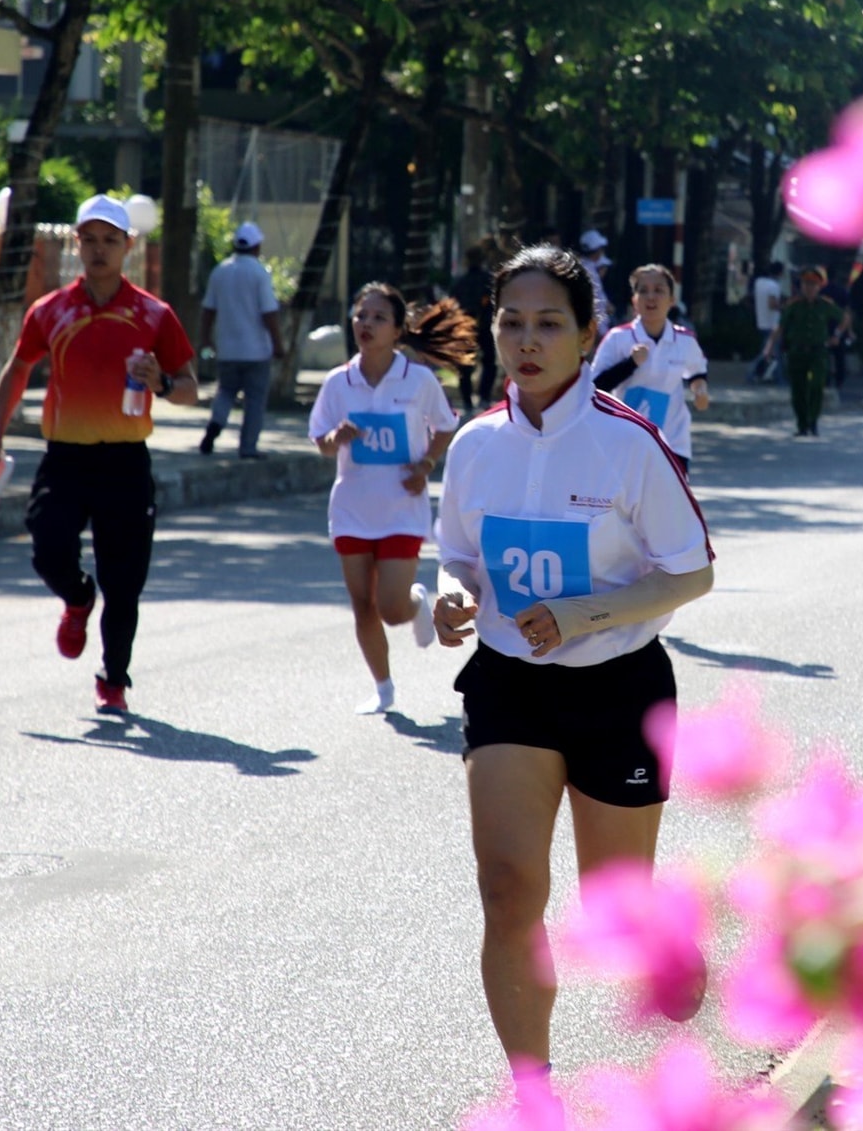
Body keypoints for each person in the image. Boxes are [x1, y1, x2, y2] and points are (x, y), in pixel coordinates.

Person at [431, 245, 714, 1108]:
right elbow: (455, 556)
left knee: (613, 916)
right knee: (508, 887)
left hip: (617, 686)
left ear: (590, 334)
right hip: (510, 682)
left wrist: (590, 614)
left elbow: (693, 570)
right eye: (511, 321)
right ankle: (533, 1094)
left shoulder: (629, 445)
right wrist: (448, 597)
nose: (526, 339)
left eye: (549, 322)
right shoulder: (476, 445)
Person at [0, 195, 199, 714]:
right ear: (77, 243)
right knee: (47, 548)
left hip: (125, 462)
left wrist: (161, 382)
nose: (99, 251)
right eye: (90, 240)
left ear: (128, 246)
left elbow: (190, 388)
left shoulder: (153, 313)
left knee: (125, 581)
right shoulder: (51, 310)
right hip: (66, 459)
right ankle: (76, 597)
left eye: (110, 241)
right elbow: (18, 368)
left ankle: (113, 680)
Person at [308, 281, 474, 715]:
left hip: (402, 508)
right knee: (362, 605)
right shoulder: (338, 382)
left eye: (379, 317)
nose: (367, 323)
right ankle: (383, 688)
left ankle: (416, 604)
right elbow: (320, 441)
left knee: (392, 609)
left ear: (398, 329)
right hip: (351, 509)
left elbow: (445, 425)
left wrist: (426, 466)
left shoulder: (417, 380)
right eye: (362, 315)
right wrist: (335, 437)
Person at [589, 263, 709, 477]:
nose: (650, 297)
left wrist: (700, 390)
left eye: (659, 290)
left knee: (669, 509)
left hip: (672, 443)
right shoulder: (618, 339)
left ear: (672, 300)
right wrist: (630, 364)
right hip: (625, 442)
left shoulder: (685, 341)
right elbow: (594, 388)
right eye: (642, 291)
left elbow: (697, 372)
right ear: (634, 300)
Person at [197, 221, 283, 458]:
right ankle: (247, 447)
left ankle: (216, 423)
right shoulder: (259, 273)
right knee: (254, 400)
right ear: (256, 246)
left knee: (225, 391)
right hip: (256, 351)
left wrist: (205, 338)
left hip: (227, 349)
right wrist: (278, 344)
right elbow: (269, 313)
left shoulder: (220, 271)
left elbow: (208, 310)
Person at [766, 265, 849, 437]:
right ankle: (802, 425)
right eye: (806, 284)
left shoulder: (826, 305)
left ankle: (813, 422)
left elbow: (845, 318)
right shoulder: (793, 306)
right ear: (801, 286)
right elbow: (780, 327)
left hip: (818, 353)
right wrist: (769, 347)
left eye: (813, 284)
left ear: (819, 287)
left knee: (816, 386)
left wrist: (837, 336)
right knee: (798, 390)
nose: (809, 288)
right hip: (797, 353)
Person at [448, 241, 500, 414]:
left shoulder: (459, 282)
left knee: (465, 366)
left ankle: (468, 401)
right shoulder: (488, 279)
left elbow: (452, 305)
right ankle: (483, 398)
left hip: (465, 327)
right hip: (484, 326)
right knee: (489, 362)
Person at [749, 261, 784, 384]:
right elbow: (772, 304)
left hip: (761, 321)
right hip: (772, 323)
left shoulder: (759, 283)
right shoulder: (773, 286)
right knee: (771, 352)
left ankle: (774, 377)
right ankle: (753, 374)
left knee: (769, 352)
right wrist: (785, 307)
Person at [577, 228, 613, 338]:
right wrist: (603, 333)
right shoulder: (589, 272)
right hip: (593, 330)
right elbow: (598, 302)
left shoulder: (582, 266)